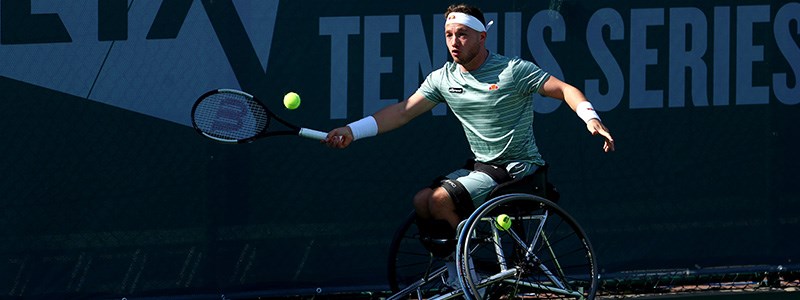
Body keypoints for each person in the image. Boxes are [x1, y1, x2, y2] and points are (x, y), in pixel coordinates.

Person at [324, 3, 614, 257]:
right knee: (422, 201)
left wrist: (591, 118)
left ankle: (471, 264)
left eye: (462, 34)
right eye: (449, 35)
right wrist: (352, 130)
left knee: (439, 199)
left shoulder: (512, 71)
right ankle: (457, 265)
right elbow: (402, 111)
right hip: (482, 168)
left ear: (481, 36)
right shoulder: (442, 78)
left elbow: (564, 89)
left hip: (520, 170)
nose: (454, 42)